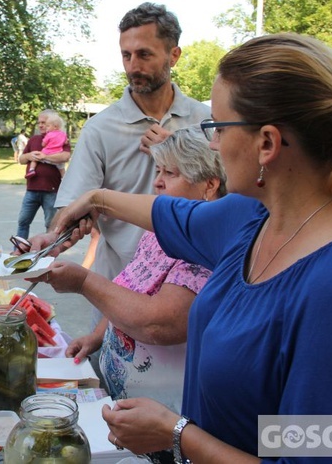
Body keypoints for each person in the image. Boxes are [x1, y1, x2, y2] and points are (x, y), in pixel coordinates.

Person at [50, 33, 332, 462]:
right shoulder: (254, 216)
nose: (212, 143)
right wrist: (96, 198)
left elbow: (330, 452)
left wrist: (176, 433)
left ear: (266, 143)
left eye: (217, 127)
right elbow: (169, 214)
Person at [26, 2, 211, 335]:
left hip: (186, 294)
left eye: (144, 54)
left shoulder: (204, 122)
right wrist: (55, 236)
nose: (132, 66)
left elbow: (233, 197)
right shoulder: (101, 127)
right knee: (106, 380)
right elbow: (73, 207)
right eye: (126, 55)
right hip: (117, 292)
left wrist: (177, 150)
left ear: (174, 55)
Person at [42, 129, 225, 415]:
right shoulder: (161, 230)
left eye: (170, 173)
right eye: (158, 170)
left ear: (210, 185)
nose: (157, 182)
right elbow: (129, 288)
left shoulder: (205, 247)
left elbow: (158, 323)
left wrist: (83, 281)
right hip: (128, 399)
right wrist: (98, 336)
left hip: (164, 413)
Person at [13, 110, 71, 253]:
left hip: (51, 190)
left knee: (50, 225)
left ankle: (47, 253)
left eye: (43, 122)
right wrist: (29, 155)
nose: (40, 125)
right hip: (32, 189)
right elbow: (20, 159)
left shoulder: (61, 137)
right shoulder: (34, 140)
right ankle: (18, 250)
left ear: (53, 123)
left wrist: (44, 156)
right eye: (39, 122)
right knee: (23, 221)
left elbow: (65, 156)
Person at [25, 113, 68, 178]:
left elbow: (43, 144)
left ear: (55, 126)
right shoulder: (63, 134)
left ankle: (31, 170)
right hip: (58, 154)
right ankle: (64, 179)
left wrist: (44, 151)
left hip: (47, 153)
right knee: (62, 168)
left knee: (35, 158)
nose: (41, 126)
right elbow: (65, 142)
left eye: (47, 125)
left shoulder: (49, 135)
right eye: (38, 123)